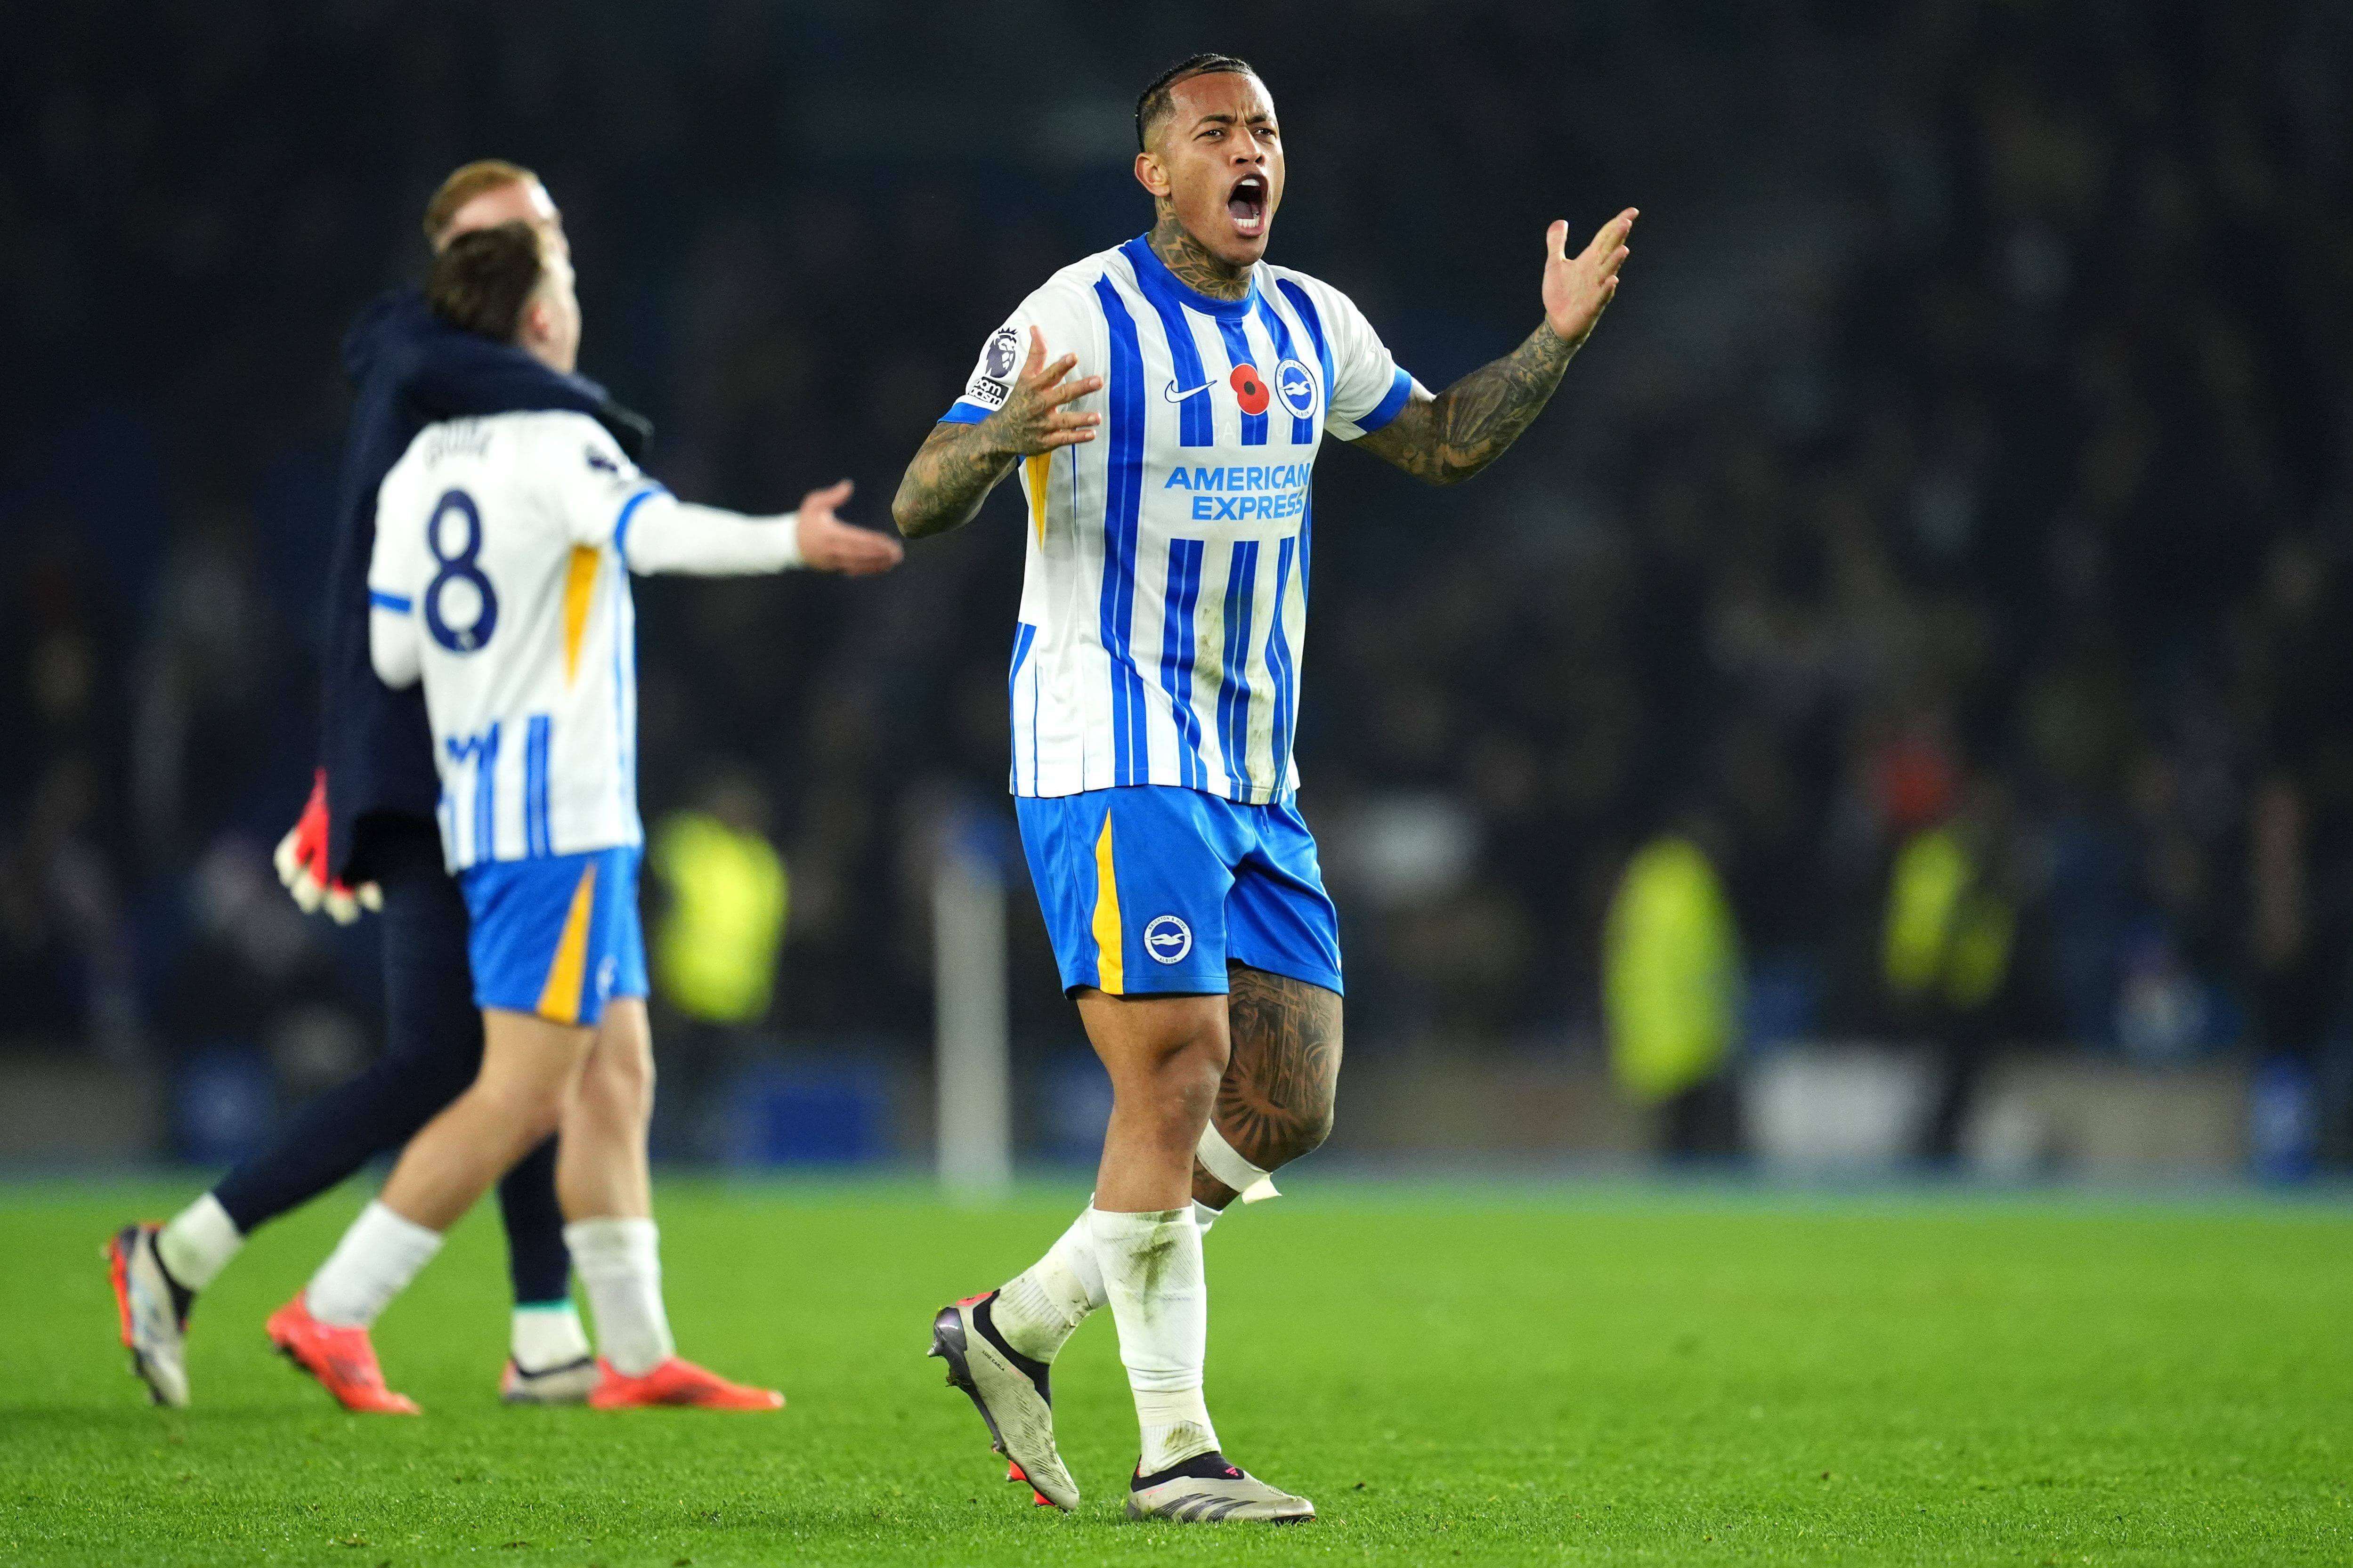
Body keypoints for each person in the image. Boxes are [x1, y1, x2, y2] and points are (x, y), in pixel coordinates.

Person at [892, 53, 1632, 1522]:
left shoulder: (1313, 325)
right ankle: (1176, 1453)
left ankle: (1019, 1325)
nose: (1252, 154)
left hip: (1250, 769)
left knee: (1287, 1097)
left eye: (1269, 133)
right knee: (1172, 1070)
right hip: (1110, 740)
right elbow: (918, 496)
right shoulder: (1072, 314)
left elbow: (1438, 442)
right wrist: (999, 439)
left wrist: (1548, 342)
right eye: (1216, 132)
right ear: (1154, 171)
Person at [263, 218, 900, 1415]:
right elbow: (651, 534)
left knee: (619, 1073)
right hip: (558, 815)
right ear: (541, 317)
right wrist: (789, 541)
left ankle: (636, 1349)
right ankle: (334, 1309)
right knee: (525, 1091)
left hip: (487, 803)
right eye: (562, 281)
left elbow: (394, 650)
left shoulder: (416, 467)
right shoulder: (560, 439)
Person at [108, 162, 638, 1410]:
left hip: (467, 758)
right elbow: (373, 600)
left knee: (512, 1045)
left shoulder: (469, 389)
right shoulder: (416, 351)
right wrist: (342, 772)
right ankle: (182, 1254)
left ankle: (548, 1327)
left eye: (550, 234)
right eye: (512, 239)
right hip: (425, 769)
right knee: (450, 1058)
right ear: (451, 256)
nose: (540, 261)